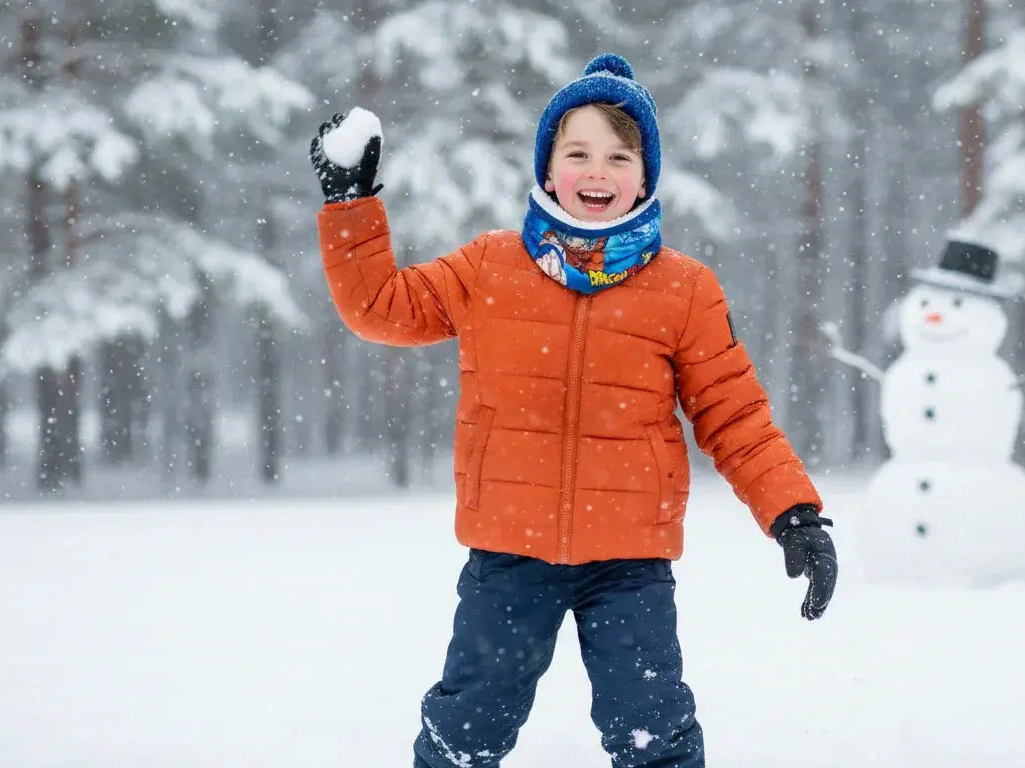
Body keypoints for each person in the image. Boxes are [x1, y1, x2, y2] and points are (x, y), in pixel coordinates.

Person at [310, 52, 837, 768]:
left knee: (653, 726)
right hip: (508, 552)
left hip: (629, 562)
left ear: (645, 176)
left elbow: (735, 416)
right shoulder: (489, 267)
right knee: (467, 726)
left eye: (620, 157)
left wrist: (792, 513)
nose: (598, 172)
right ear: (548, 168)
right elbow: (380, 308)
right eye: (579, 152)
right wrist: (350, 203)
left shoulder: (684, 290)